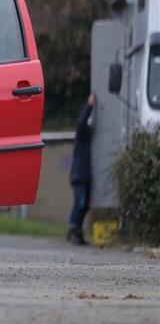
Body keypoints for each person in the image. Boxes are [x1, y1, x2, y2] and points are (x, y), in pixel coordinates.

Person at [67, 94, 95, 245]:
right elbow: (81, 122)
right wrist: (89, 106)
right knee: (80, 202)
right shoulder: (82, 137)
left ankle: (77, 230)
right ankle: (72, 227)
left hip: (86, 175)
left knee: (85, 205)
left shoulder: (89, 140)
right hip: (79, 174)